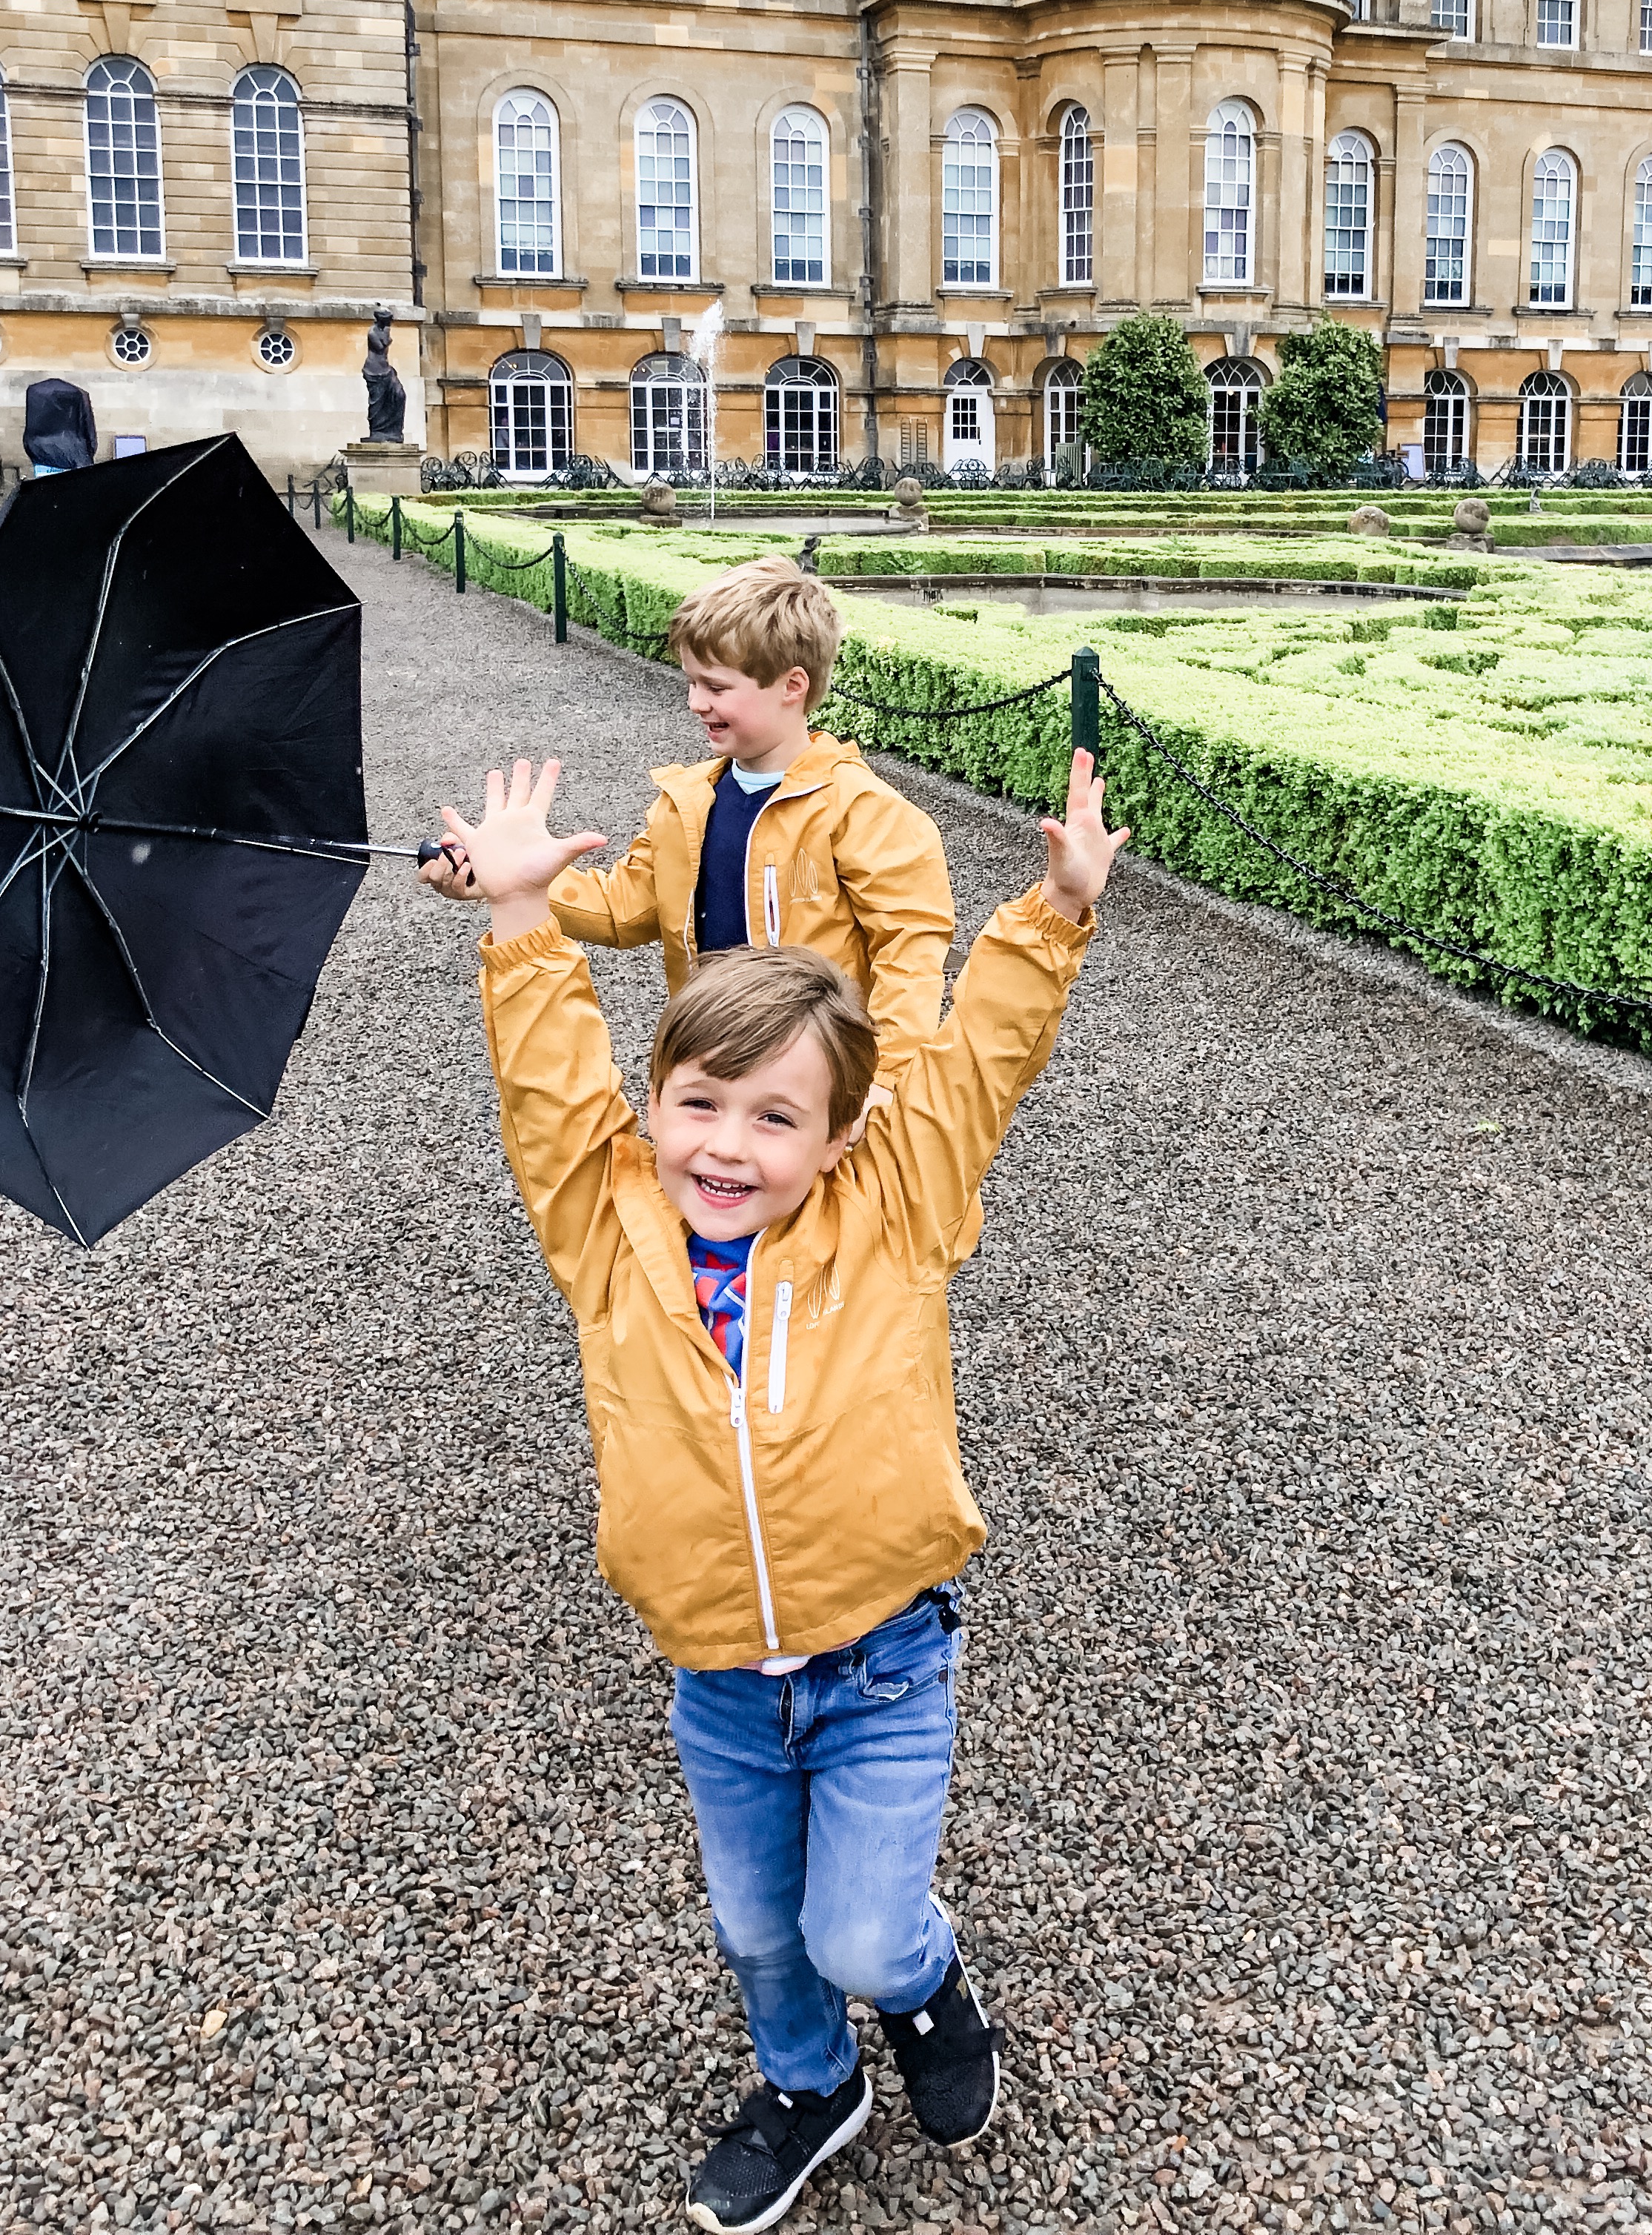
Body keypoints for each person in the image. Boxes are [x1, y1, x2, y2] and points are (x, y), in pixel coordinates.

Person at [448, 748, 1127, 2234]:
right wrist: (517, 920)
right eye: (700, 1105)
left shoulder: (898, 1205)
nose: (728, 1147)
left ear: (837, 1140)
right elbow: (552, 1092)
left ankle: (925, 1990)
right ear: (656, 1105)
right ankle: (813, 2086)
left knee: (865, 1936)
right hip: (716, 1675)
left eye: (776, 1120)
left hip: (882, 1656)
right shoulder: (605, 1215)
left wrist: (1055, 914)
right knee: (762, 1934)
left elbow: (977, 1061)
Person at [425, 556, 955, 1084]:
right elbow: (622, 910)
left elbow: (910, 953)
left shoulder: (866, 811)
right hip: (707, 1062)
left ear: (793, 686)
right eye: (691, 682)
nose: (695, 703)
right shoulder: (686, 802)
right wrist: (515, 882)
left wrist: (884, 1083)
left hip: (818, 1080)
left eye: (716, 687)